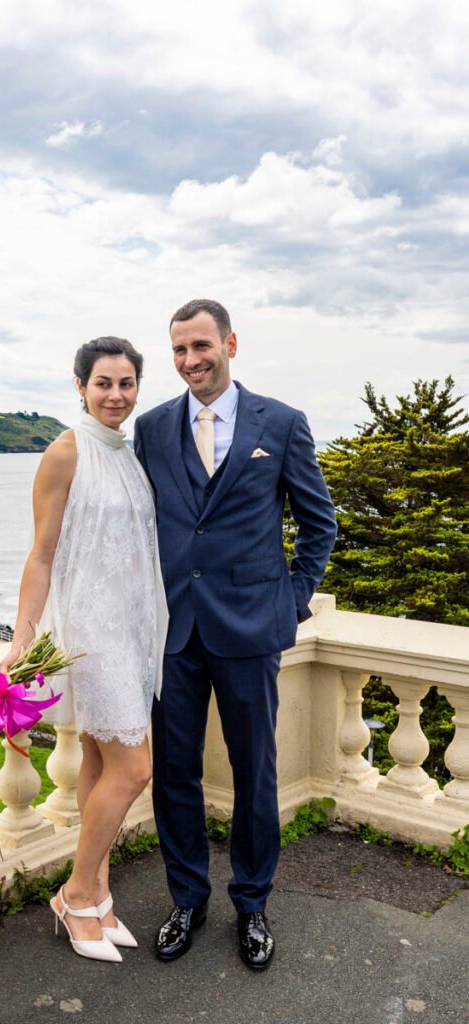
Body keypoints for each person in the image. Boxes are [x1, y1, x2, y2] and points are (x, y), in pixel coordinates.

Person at [134, 299, 337, 970]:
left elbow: (318, 524)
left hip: (251, 629)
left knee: (255, 776)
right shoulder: (152, 428)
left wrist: (291, 600)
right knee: (174, 776)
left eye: (201, 346)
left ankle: (251, 905)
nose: (191, 360)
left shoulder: (278, 423)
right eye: (179, 350)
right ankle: (187, 899)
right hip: (172, 630)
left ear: (229, 343)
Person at [0, 336, 168, 964]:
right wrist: (22, 638)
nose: (116, 395)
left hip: (132, 628)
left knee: (99, 767)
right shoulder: (65, 453)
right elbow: (41, 555)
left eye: (126, 384)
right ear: (80, 386)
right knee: (135, 770)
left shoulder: (128, 455)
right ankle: (72, 894)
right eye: (104, 383)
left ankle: (97, 897)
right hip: (91, 637)